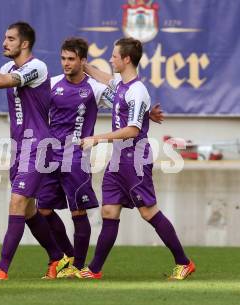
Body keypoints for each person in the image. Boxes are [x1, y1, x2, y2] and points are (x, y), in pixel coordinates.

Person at [38, 37, 164, 278]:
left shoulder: (95, 89)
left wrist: (146, 114)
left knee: (79, 213)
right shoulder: (52, 84)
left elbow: (125, 104)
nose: (65, 63)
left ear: (82, 61)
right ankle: (67, 257)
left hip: (77, 157)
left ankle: (78, 266)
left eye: (71, 59)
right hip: (51, 155)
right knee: (42, 209)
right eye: (63, 58)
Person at [0, 22, 69, 280]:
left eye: (10, 39)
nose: (4, 43)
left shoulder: (36, 67)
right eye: (5, 38)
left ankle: (2, 268)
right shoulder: (11, 66)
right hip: (20, 146)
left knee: (17, 203)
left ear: (24, 44)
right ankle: (58, 258)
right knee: (29, 210)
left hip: (39, 146)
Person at [79, 37, 195, 280]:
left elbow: (132, 130)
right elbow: (107, 80)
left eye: (114, 55)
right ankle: (94, 270)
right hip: (118, 159)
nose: (111, 59)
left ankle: (184, 262)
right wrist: (84, 65)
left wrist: (97, 138)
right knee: (109, 211)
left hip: (135, 160)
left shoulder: (137, 90)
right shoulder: (122, 85)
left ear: (126, 59)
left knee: (148, 211)